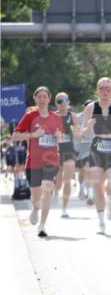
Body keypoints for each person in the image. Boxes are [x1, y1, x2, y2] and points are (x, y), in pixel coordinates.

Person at [13, 87, 64, 237]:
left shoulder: (56, 117)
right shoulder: (30, 116)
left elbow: (60, 138)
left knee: (47, 190)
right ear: (35, 99)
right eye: (39, 97)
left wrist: (58, 135)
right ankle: (35, 208)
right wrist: (33, 134)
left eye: (45, 97)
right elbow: (16, 136)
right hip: (33, 161)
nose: (42, 99)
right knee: (36, 196)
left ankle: (42, 226)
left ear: (49, 99)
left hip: (51, 160)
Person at [80, 78, 111, 234]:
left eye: (108, 88)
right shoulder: (91, 107)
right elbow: (83, 132)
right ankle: (101, 222)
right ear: (97, 90)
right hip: (97, 148)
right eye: (102, 88)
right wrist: (88, 127)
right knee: (98, 187)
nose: (105, 91)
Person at [53, 92, 79, 218]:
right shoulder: (52, 116)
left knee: (67, 179)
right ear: (56, 104)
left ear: (68, 101)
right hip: (55, 150)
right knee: (58, 178)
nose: (62, 103)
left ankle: (64, 208)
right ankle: (56, 192)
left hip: (69, 150)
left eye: (64, 100)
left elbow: (79, 134)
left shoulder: (72, 116)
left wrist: (81, 130)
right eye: (59, 101)